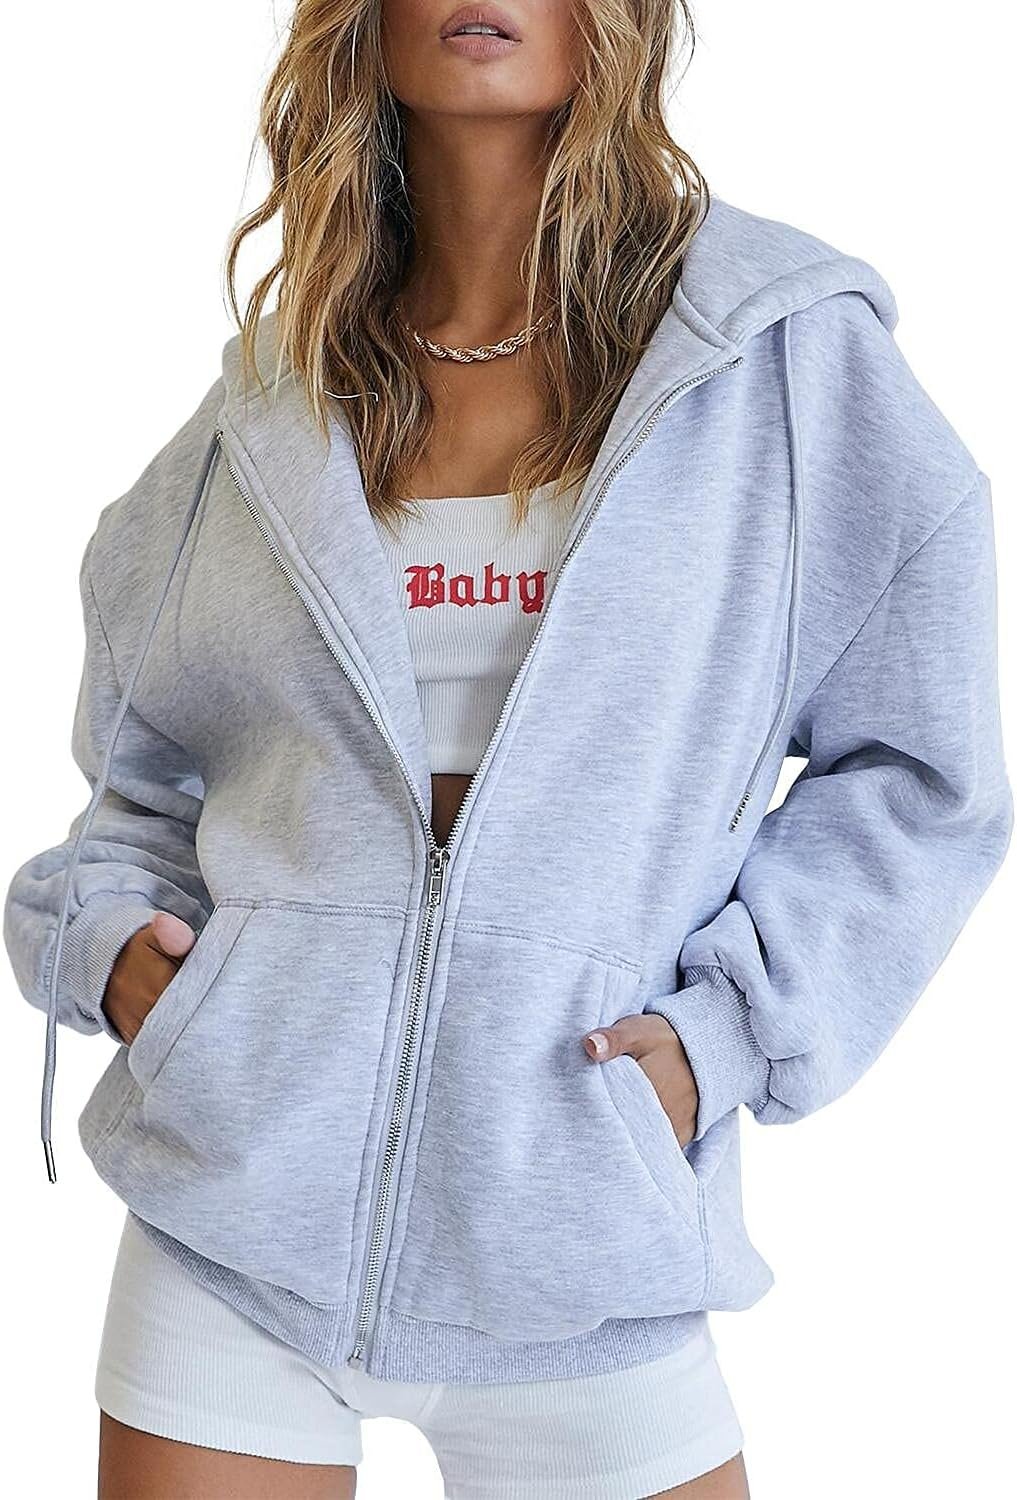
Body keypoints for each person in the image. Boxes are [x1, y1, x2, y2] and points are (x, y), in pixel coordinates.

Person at [4, 3, 1012, 1497]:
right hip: (239, 1221)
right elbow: (145, 771)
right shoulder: (278, 398)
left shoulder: (774, 360)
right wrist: (114, 954)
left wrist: (726, 1038)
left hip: (580, 1214)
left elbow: (919, 769)